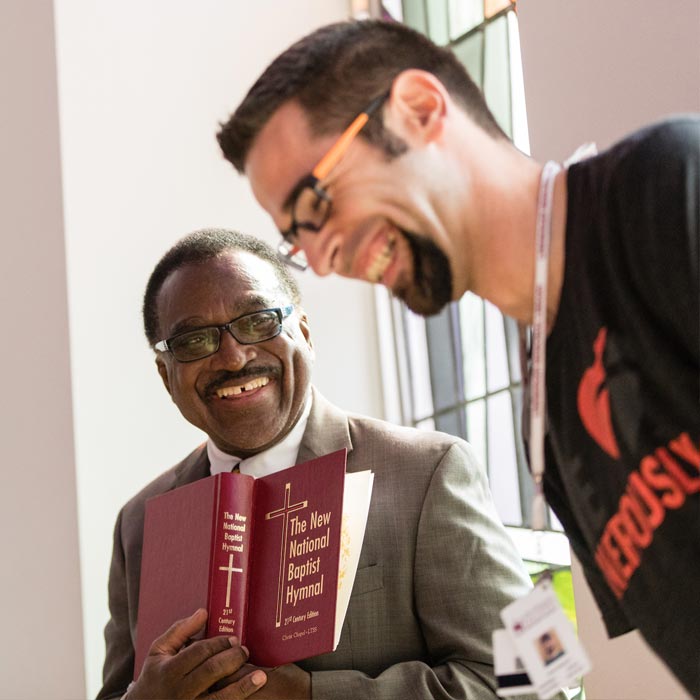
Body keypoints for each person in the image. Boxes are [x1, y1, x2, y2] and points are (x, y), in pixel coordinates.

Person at [215, 20, 700, 695]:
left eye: (314, 202)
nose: (322, 262)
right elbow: (533, 675)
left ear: (419, 110)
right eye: (298, 239)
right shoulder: (546, 415)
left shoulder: (666, 184)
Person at [98, 228, 536, 700]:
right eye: (194, 340)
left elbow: (535, 676)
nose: (233, 357)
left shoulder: (430, 472)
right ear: (166, 376)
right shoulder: (140, 522)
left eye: (258, 321)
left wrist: (313, 695)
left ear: (303, 333)